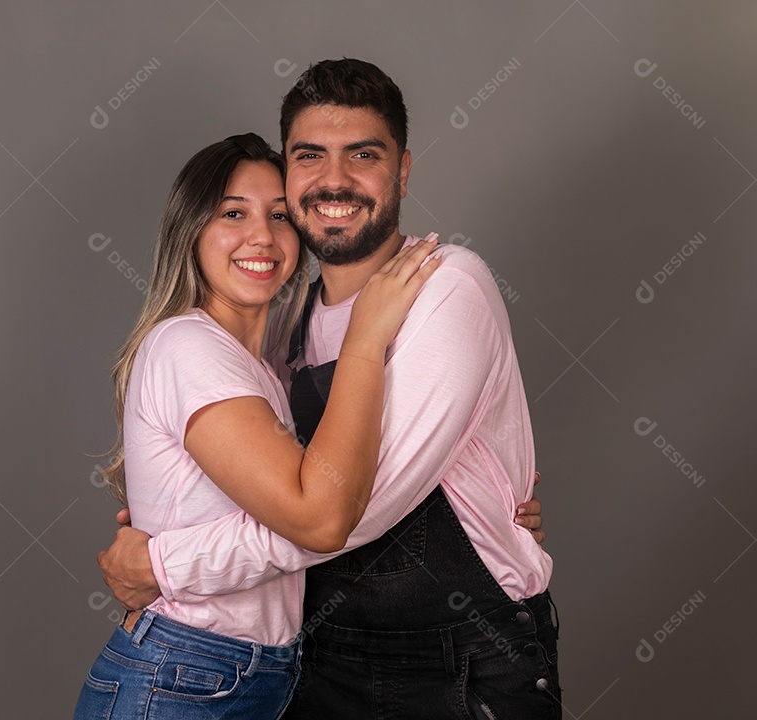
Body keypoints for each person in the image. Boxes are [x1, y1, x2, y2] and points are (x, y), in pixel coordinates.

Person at [97, 59, 561, 719]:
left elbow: (339, 514)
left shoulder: (445, 287)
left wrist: (165, 562)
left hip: (456, 662)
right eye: (310, 156)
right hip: (316, 661)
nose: (334, 180)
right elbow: (292, 492)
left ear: (401, 170)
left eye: (362, 155)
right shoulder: (285, 322)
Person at [73, 131, 443, 720]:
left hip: (246, 675)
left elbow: (333, 496)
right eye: (233, 214)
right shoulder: (188, 346)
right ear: (190, 231)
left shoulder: (265, 369)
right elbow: (319, 516)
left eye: (279, 216)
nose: (263, 238)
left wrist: (482, 514)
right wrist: (367, 336)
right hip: (185, 675)